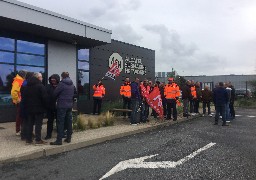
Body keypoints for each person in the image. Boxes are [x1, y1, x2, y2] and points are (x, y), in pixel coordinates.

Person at [23, 72, 48, 145]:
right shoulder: (40, 86)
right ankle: (38, 139)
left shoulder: (27, 86)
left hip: (29, 109)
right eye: (41, 77)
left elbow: (24, 98)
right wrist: (46, 106)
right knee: (38, 124)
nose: (42, 78)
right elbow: (45, 98)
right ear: (38, 78)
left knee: (29, 124)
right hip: (39, 109)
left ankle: (28, 139)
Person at [50, 72, 75, 145]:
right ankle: (68, 138)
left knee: (60, 122)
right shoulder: (72, 84)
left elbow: (55, 94)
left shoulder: (61, 84)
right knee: (69, 122)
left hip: (62, 106)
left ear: (62, 77)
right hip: (69, 105)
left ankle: (59, 140)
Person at [11, 70, 27, 136]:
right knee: (19, 116)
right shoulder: (18, 80)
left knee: (21, 116)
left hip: (21, 100)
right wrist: (18, 100)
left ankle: (21, 130)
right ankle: (18, 130)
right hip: (19, 101)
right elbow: (13, 92)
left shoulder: (20, 80)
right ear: (23, 75)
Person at [45, 74, 60, 140]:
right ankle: (48, 135)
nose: (53, 81)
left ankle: (60, 134)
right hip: (50, 107)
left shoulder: (60, 86)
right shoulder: (48, 86)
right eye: (52, 80)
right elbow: (45, 95)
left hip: (58, 107)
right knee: (50, 121)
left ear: (57, 80)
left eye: (54, 80)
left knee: (59, 121)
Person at [20, 72, 34, 141]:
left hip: (23, 103)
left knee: (24, 120)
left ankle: (23, 135)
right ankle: (26, 135)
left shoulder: (24, 83)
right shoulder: (28, 84)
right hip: (27, 104)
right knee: (28, 120)